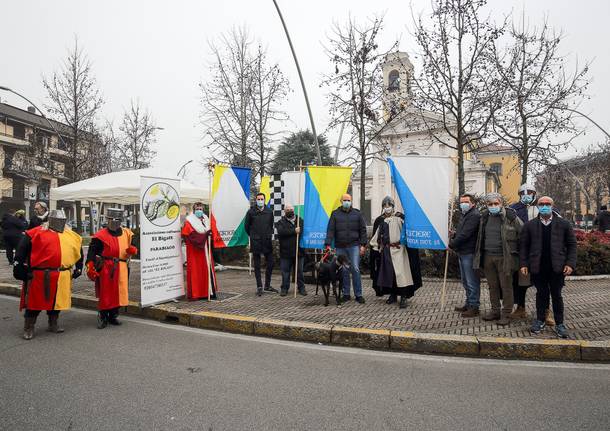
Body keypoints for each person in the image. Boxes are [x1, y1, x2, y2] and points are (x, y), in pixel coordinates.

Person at [13, 210, 83, 340]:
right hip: (40, 275)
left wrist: (79, 267)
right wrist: (19, 268)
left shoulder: (71, 235)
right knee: (34, 303)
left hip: (62, 275)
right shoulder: (36, 233)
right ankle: (29, 327)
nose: (60, 223)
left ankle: (53, 323)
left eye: (63, 220)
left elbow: (79, 251)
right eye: (57, 220)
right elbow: (21, 250)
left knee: (57, 302)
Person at [520, 196, 577, 338]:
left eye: (547, 204)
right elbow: (524, 246)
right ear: (537, 206)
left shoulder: (564, 224)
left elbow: (572, 245)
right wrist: (524, 264)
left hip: (557, 267)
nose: (544, 206)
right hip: (537, 266)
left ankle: (559, 323)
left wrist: (570, 263)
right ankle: (540, 320)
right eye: (541, 204)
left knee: (557, 295)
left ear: (552, 206)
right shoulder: (530, 225)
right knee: (541, 294)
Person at [510, 184, 556, 325]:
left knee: (543, 284)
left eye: (529, 192)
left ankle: (546, 312)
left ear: (534, 193)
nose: (526, 195)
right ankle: (521, 308)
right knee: (521, 282)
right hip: (521, 250)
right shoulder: (513, 209)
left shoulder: (543, 207)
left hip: (540, 251)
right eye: (522, 193)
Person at [473, 193, 523, 325]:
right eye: (490, 204)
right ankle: (495, 311)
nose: (493, 206)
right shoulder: (484, 217)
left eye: (496, 203)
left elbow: (523, 234)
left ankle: (506, 314)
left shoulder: (511, 217)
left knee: (506, 286)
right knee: (492, 286)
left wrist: (519, 255)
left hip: (505, 258)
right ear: (487, 205)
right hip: (488, 257)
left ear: (501, 204)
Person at [86, 208, 137, 329]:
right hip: (106, 267)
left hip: (122, 267)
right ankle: (103, 317)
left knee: (120, 292)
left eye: (117, 220)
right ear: (107, 219)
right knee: (106, 293)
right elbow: (92, 251)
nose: (114, 222)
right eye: (111, 219)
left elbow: (132, 247)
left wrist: (133, 250)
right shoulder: (100, 235)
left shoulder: (127, 233)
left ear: (121, 220)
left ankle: (113, 316)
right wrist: (90, 265)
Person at [369, 196, 422, 308]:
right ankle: (393, 295)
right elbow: (376, 237)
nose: (387, 208)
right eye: (385, 206)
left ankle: (403, 297)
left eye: (389, 205)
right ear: (383, 207)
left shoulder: (400, 217)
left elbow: (409, 230)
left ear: (393, 206)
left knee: (402, 274)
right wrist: (376, 249)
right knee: (390, 274)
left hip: (400, 250)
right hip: (387, 251)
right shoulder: (381, 220)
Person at [325, 193, 368, 304]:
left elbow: (363, 230)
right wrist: (328, 244)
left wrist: (363, 245)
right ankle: (346, 294)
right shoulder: (335, 214)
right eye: (345, 200)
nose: (347, 202)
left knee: (355, 268)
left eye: (348, 200)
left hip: (354, 246)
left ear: (351, 201)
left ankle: (358, 294)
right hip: (340, 247)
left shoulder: (357, 214)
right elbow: (330, 230)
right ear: (341, 201)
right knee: (344, 270)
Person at [449, 194, 481, 317]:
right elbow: (462, 232)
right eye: (462, 202)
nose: (463, 204)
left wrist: (451, 245)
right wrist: (454, 233)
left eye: (466, 202)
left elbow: (466, 235)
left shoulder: (474, 215)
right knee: (465, 281)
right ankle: (469, 303)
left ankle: (474, 306)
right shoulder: (465, 214)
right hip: (463, 252)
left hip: (469, 253)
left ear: (472, 203)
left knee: (472, 281)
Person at [181, 202, 217, 300]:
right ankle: (197, 293)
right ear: (194, 210)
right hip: (196, 252)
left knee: (207, 270)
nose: (199, 211)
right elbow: (192, 236)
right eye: (197, 209)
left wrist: (209, 234)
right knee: (197, 272)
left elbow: (209, 232)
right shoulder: (189, 221)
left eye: (201, 209)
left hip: (206, 249)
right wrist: (205, 235)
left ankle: (208, 291)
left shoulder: (205, 219)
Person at [244, 193, 277, 296]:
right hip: (256, 241)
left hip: (267, 241)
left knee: (271, 263)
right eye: (258, 199)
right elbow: (246, 226)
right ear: (256, 200)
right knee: (257, 266)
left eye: (262, 199)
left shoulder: (269, 211)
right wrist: (253, 235)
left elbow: (271, 224)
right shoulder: (251, 212)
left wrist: (267, 234)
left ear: (264, 200)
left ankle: (267, 285)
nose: (260, 200)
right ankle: (259, 286)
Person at [275, 204, 307, 296]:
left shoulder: (300, 220)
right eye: (287, 209)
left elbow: (304, 231)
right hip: (286, 252)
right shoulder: (281, 222)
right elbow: (281, 232)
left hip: (299, 251)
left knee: (299, 271)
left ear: (294, 210)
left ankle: (301, 288)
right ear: (284, 211)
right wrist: (294, 231)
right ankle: (284, 288)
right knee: (285, 272)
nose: (290, 211)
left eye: (291, 209)